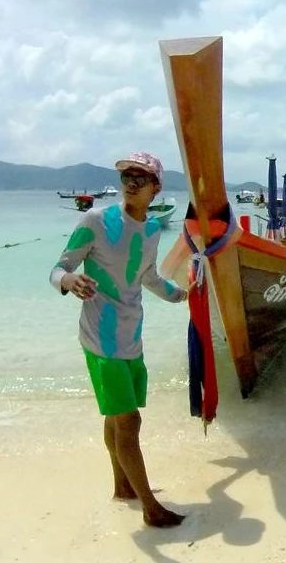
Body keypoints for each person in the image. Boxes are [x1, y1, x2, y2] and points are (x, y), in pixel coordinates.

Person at [50, 152, 189, 528]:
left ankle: (122, 487)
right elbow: (58, 268)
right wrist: (69, 281)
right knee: (129, 421)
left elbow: (147, 277)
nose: (132, 181)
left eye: (141, 177)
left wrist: (181, 294)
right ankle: (150, 507)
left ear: (156, 187)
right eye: (127, 175)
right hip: (100, 337)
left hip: (132, 335)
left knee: (118, 417)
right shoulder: (96, 220)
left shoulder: (151, 231)